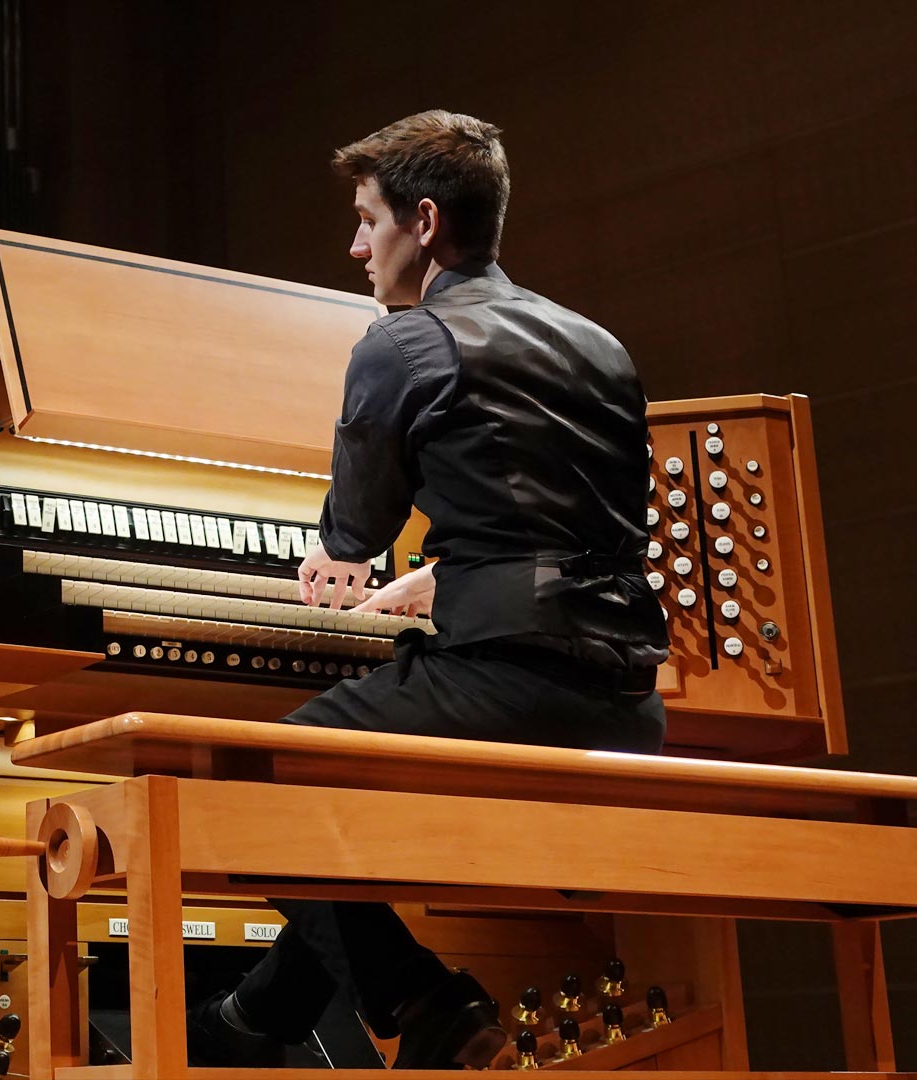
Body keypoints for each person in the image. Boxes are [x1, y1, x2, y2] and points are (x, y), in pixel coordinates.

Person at [185, 110, 670, 1069]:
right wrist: (445, 576)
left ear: (426, 222)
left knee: (248, 782)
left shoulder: (403, 343)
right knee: (337, 816)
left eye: (368, 220)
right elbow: (573, 522)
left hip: (509, 687)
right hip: (629, 704)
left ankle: (425, 1003)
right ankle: (259, 1019)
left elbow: (349, 541)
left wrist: (356, 561)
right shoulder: (602, 346)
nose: (355, 245)